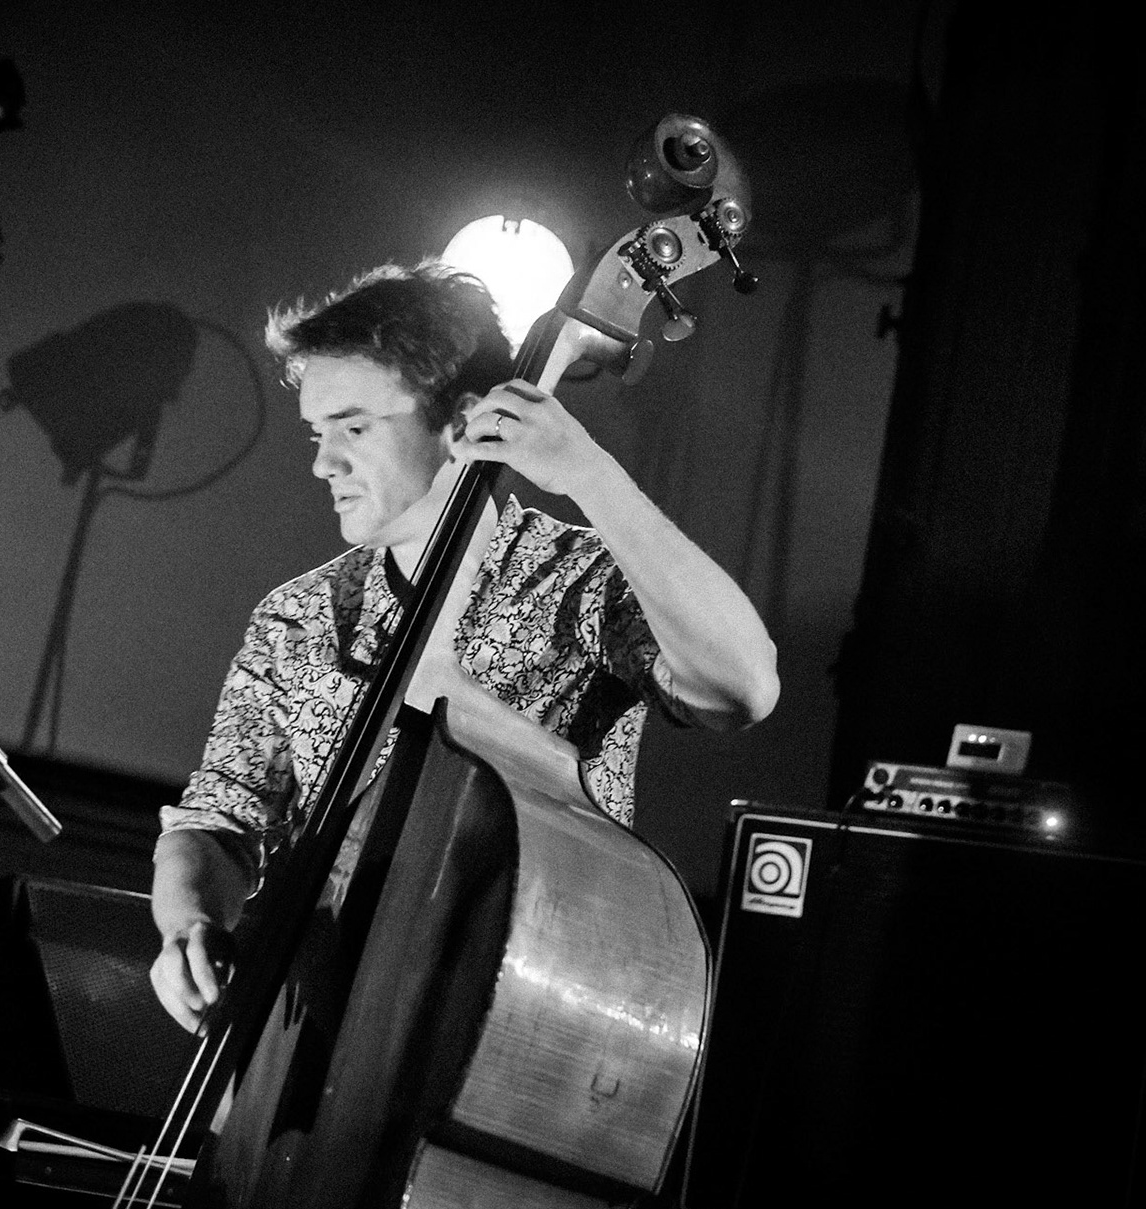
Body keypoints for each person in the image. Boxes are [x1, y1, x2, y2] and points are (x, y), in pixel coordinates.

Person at [149, 261, 777, 1032]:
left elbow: (742, 688)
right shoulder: (296, 617)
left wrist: (591, 476)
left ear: (463, 419)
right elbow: (219, 822)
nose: (323, 461)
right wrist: (187, 924)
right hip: (312, 1023)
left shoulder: (576, 578)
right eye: (318, 433)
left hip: (523, 1020)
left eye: (353, 427)